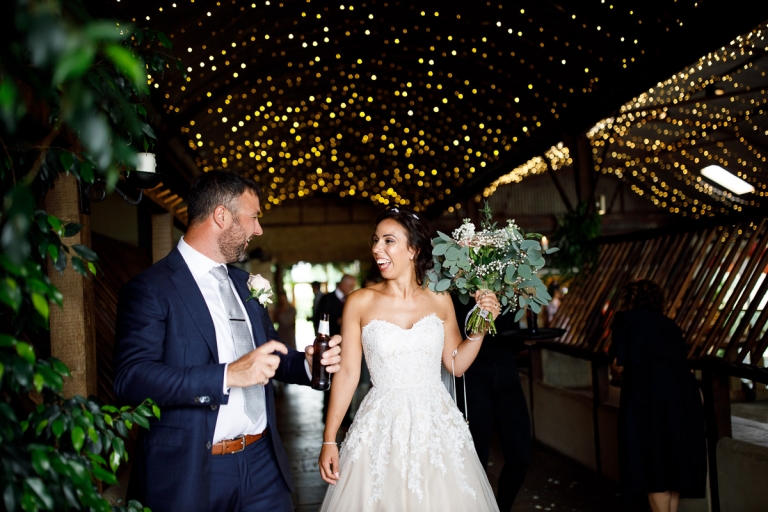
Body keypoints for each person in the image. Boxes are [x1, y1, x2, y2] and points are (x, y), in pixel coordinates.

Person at [113, 170, 342, 512]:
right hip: (193, 468)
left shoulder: (244, 283)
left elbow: (271, 354)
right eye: (253, 218)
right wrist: (226, 376)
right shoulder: (151, 289)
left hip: (263, 463)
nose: (258, 230)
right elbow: (130, 379)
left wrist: (307, 364)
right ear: (222, 216)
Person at [317, 206, 502, 511]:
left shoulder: (439, 299)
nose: (377, 248)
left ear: (413, 249)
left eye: (388, 241)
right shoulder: (359, 302)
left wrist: (480, 327)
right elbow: (348, 373)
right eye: (375, 240)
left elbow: (456, 365)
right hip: (381, 426)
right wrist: (328, 439)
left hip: (436, 425)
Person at [610, 279, 706, 512]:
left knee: (651, 462)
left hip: (647, 394)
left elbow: (618, 363)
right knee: (672, 460)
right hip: (683, 395)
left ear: (629, 300)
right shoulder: (670, 324)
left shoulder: (625, 320)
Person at [452, 295, 532, 511]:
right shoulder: (454, 295)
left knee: (521, 454)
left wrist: (524, 340)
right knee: (476, 458)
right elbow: (453, 344)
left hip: (507, 376)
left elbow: (508, 337)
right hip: (472, 378)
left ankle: (502, 507)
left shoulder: (505, 292)